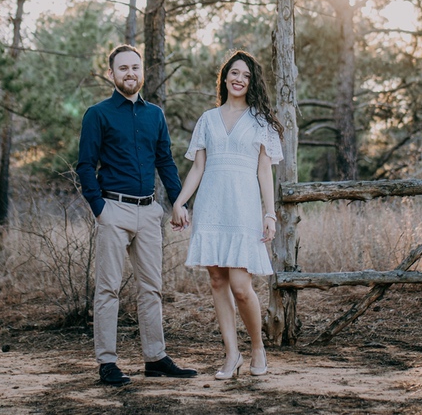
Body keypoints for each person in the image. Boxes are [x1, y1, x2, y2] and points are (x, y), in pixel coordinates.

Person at [76, 44, 198, 386]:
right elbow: (86, 165)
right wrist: (99, 208)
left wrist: (178, 202)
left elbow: (166, 162)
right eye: (123, 68)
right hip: (113, 209)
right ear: (112, 74)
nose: (130, 73)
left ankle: (155, 358)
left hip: (149, 212)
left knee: (151, 289)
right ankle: (107, 363)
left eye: (135, 68)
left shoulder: (154, 115)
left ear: (141, 72)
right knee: (108, 290)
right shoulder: (97, 114)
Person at [170, 50, 284, 379]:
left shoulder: (260, 122)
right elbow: (198, 167)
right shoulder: (208, 119)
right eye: (234, 73)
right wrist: (180, 202)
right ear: (225, 77)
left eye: (246, 76)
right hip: (212, 206)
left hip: (244, 208)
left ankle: (258, 346)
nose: (239, 79)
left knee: (241, 286)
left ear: (252, 83)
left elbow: (265, 172)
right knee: (217, 280)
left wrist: (270, 213)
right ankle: (232, 354)